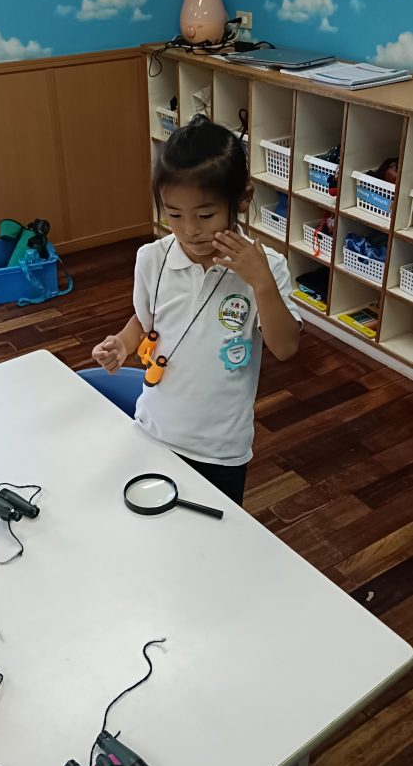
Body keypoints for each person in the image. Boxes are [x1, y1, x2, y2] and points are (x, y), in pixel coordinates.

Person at [92, 115, 301, 506]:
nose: (190, 229)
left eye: (205, 215)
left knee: (213, 536)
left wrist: (261, 283)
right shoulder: (151, 259)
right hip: (153, 432)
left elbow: (286, 347)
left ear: (242, 199)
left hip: (221, 449)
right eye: (174, 214)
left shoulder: (267, 267)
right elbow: (147, 320)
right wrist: (122, 343)